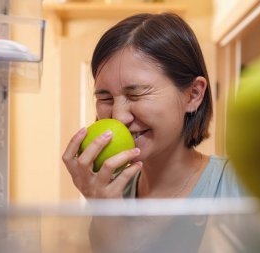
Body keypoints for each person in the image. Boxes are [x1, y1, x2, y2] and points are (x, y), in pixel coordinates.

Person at [62, 12, 246, 200]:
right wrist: (102, 208)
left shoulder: (239, 187)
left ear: (193, 95)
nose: (118, 117)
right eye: (106, 98)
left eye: (136, 94)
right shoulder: (112, 193)